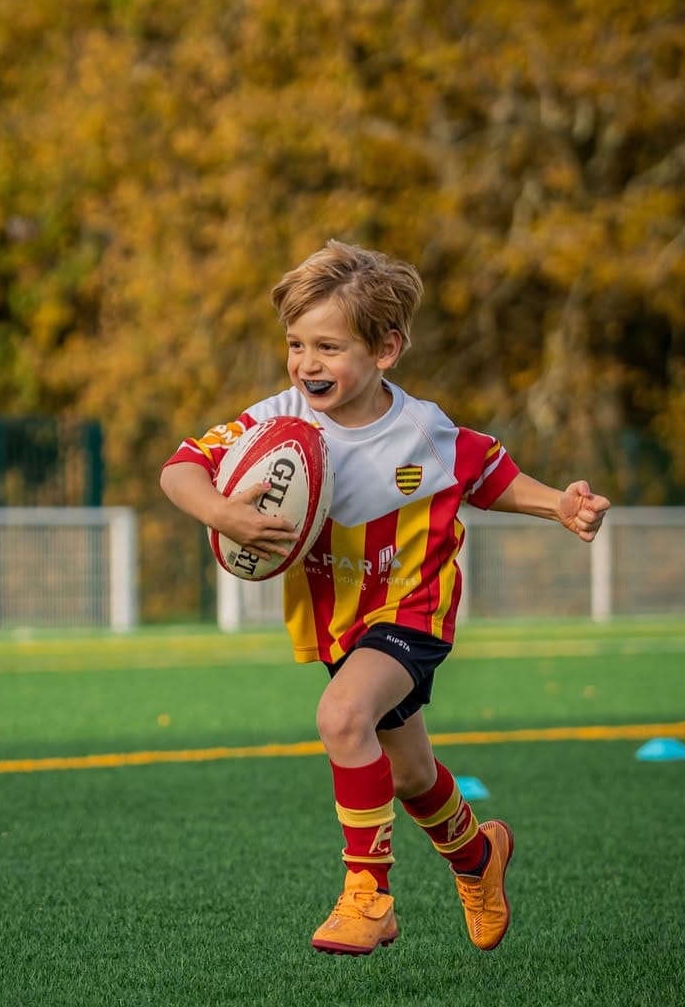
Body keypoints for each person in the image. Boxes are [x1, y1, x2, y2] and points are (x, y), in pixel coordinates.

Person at [160, 240, 610, 957]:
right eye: (296, 344)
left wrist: (559, 504)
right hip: (341, 621)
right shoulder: (276, 422)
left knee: (342, 717)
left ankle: (367, 896)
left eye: (329, 347)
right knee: (409, 773)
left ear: (386, 349)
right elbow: (179, 469)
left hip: (412, 607)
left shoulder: (421, 430)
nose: (307, 363)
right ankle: (478, 858)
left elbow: (486, 474)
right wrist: (223, 512)